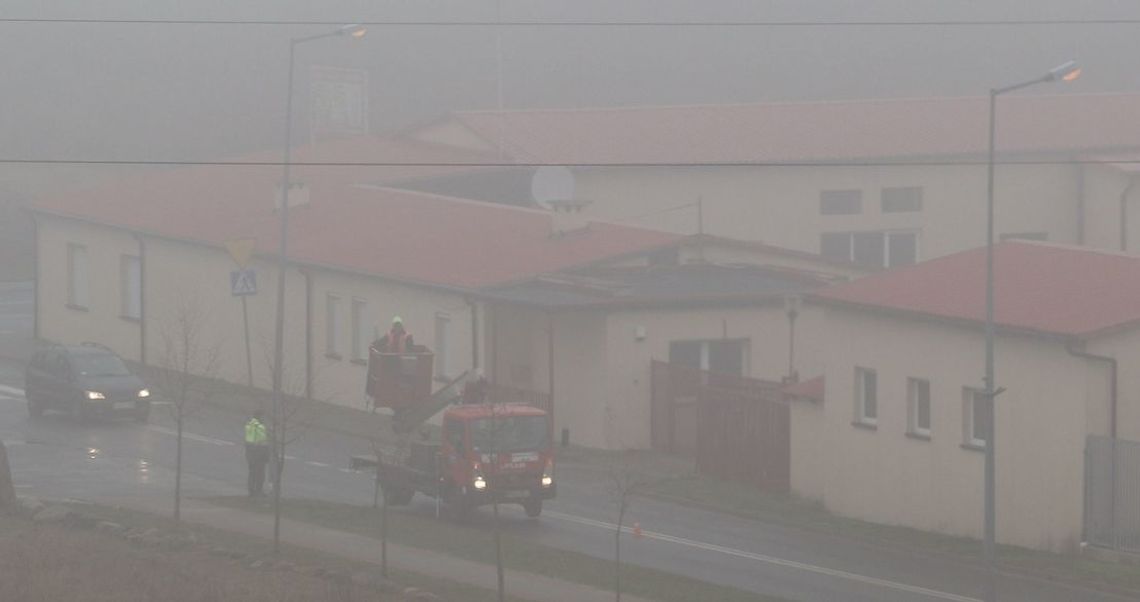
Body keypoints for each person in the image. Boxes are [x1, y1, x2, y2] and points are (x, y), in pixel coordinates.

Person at [244, 410, 269, 497]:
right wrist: (265, 455)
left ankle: (252, 491)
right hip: (258, 455)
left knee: (253, 474)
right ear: (260, 416)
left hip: (252, 455)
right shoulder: (258, 426)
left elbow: (249, 442)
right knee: (259, 474)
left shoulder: (251, 424)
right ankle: (257, 491)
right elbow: (262, 442)